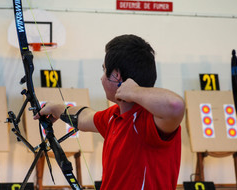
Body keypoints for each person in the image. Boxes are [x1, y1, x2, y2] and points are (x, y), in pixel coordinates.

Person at [34, 34, 185, 190]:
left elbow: (175, 105)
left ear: (116, 76)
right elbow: (85, 116)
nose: (101, 78)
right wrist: (55, 108)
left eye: (104, 70)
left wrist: (134, 91)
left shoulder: (150, 120)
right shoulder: (114, 116)